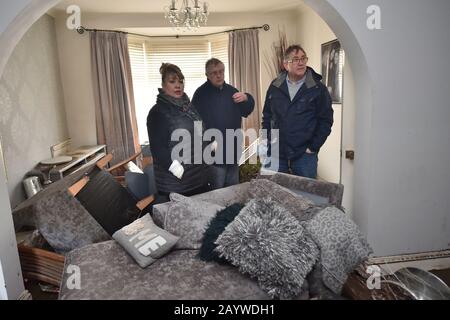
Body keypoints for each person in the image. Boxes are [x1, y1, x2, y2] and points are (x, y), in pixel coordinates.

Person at [261, 45, 333, 179]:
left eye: (303, 58)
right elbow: (267, 116)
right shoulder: (275, 86)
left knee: (305, 196)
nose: (300, 62)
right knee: (273, 195)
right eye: (295, 59)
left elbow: (326, 120)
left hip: (304, 155)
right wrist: (267, 143)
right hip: (277, 152)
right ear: (285, 64)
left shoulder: (318, 88)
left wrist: (312, 147)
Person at [147, 63, 209, 200]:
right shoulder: (157, 112)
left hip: (199, 179)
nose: (178, 85)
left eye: (181, 81)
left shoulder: (189, 107)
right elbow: (157, 148)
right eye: (172, 81)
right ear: (163, 85)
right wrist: (174, 167)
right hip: (176, 183)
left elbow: (199, 130)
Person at [192, 58, 255, 189]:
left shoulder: (232, 91)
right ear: (207, 75)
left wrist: (247, 97)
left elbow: (246, 111)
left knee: (233, 192)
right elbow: (194, 124)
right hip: (213, 156)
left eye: (221, 71)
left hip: (233, 152)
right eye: (214, 73)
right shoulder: (200, 94)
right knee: (216, 194)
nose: (219, 75)